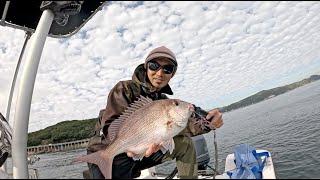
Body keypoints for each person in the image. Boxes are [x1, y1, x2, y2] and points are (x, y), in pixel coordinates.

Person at [87, 46, 224, 179]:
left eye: (167, 69)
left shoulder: (163, 102)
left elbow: (186, 123)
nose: (159, 73)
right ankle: (103, 161)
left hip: (141, 150)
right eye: (154, 65)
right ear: (146, 67)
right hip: (106, 149)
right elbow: (110, 126)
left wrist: (209, 122)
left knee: (185, 144)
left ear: (172, 74)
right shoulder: (124, 89)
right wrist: (130, 145)